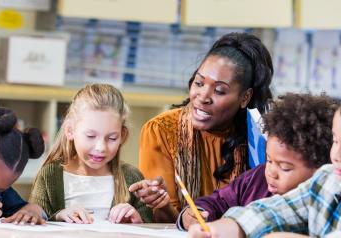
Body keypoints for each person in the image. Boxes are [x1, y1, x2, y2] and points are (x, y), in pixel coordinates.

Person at [129, 32, 274, 222]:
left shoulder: (259, 139)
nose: (203, 96)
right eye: (198, 82)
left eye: (220, 90)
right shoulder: (162, 130)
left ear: (245, 98)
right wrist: (162, 203)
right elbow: (162, 223)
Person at [177, 93, 336, 230]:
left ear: (320, 170)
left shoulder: (325, 204)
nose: (271, 172)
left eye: (285, 168)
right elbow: (216, 202)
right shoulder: (255, 179)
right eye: (269, 160)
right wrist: (193, 215)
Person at [29, 84, 152, 224]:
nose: (100, 148)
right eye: (90, 136)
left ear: (122, 136)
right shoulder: (49, 175)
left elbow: (150, 226)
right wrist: (58, 216)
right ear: (70, 131)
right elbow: (34, 222)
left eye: (112, 138)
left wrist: (137, 221)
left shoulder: (132, 177)